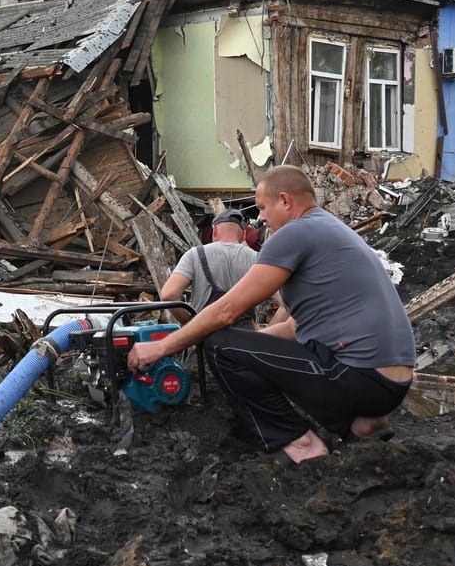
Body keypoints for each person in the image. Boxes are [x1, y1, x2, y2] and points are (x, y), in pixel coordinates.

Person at [128, 165, 414, 465]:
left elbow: (226, 311)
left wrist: (161, 347)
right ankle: (364, 424)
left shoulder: (294, 232)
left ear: (285, 201)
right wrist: (249, 348)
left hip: (357, 377)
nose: (261, 218)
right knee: (236, 345)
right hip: (389, 385)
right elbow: (293, 329)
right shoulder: (331, 230)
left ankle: (299, 442)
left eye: (263, 207)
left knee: (219, 345)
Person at [160, 209, 258, 329]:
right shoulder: (257, 258)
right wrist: (266, 333)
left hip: (206, 335)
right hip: (245, 338)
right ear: (243, 235)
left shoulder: (195, 254)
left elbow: (168, 295)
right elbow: (279, 302)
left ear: (214, 231)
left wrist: (189, 323)